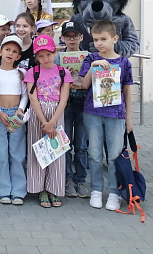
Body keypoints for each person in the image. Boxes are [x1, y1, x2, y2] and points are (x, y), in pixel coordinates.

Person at [79, 20, 133, 211]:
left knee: (114, 155)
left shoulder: (124, 62)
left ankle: (114, 192)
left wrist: (128, 118)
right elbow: (84, 85)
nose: (99, 43)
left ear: (114, 39)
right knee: (94, 153)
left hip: (116, 115)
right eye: (96, 40)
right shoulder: (91, 58)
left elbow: (127, 91)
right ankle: (96, 190)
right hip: (93, 113)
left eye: (103, 39)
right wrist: (93, 66)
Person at [25, 35, 73, 208]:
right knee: (38, 152)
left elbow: (64, 99)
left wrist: (52, 122)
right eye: (41, 56)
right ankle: (40, 189)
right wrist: (44, 121)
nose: (45, 58)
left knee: (56, 151)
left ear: (55, 53)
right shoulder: (32, 72)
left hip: (56, 113)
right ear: (36, 57)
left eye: (48, 54)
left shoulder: (63, 72)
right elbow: (32, 98)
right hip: (38, 114)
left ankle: (54, 188)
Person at [0, 35, 29, 205]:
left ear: (18, 56)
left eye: (14, 51)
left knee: (17, 153)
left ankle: (18, 191)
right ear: (0, 51)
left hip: (16, 115)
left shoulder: (21, 73)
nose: (10, 53)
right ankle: (2, 190)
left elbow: (25, 94)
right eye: (7, 50)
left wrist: (20, 109)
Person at [56, 21, 89, 199]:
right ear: (62, 38)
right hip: (66, 104)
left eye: (75, 36)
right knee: (66, 143)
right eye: (67, 36)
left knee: (82, 145)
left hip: (84, 104)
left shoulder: (89, 57)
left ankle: (81, 179)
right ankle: (67, 178)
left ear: (81, 37)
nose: (71, 39)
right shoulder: (57, 58)